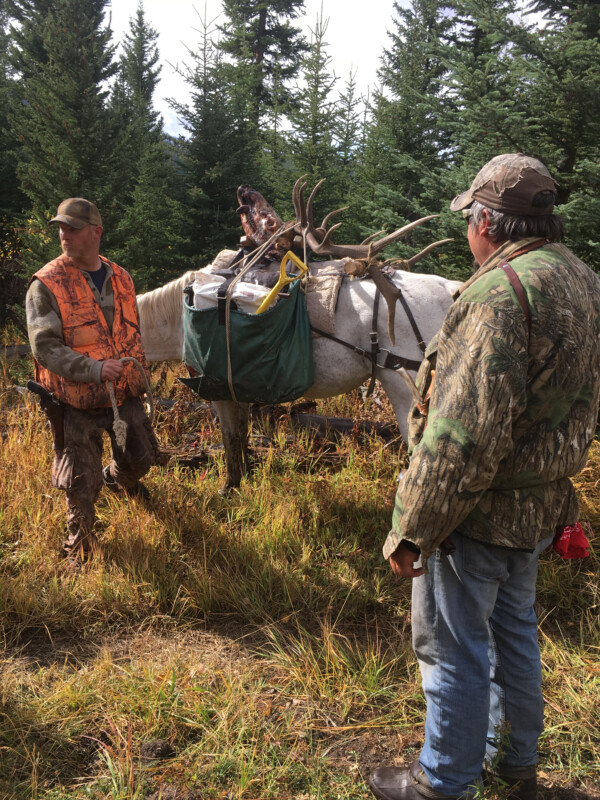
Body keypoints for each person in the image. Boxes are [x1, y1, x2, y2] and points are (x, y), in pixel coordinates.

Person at [368, 154, 600, 800]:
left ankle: (443, 781)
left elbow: (460, 439)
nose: (468, 228)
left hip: (479, 514)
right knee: (514, 633)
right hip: (540, 507)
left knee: (452, 647)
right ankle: (515, 764)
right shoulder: (583, 280)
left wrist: (412, 527)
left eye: (470, 216)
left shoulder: (498, 297)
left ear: (488, 222)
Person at [26, 197, 159, 567]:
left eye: (72, 227)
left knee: (140, 459)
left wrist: (136, 377)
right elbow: (45, 348)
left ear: (96, 232)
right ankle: (79, 546)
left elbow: (129, 333)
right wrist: (93, 369)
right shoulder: (46, 284)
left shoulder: (122, 278)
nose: (63, 234)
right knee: (80, 482)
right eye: (60, 228)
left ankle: (117, 480)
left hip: (123, 392)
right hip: (74, 399)